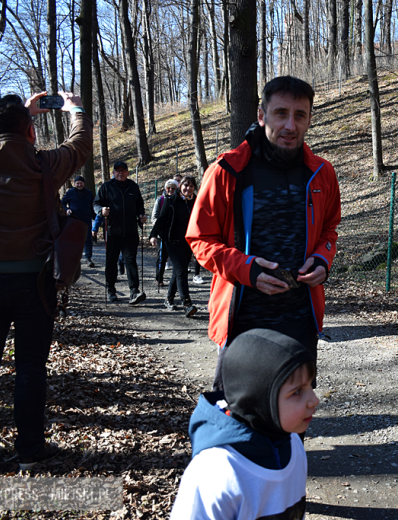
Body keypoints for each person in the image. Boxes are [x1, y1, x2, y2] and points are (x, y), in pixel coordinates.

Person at [187, 76, 341, 391]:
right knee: (238, 421)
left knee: (293, 418)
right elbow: (200, 239)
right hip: (242, 319)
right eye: (280, 113)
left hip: (299, 320)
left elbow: (329, 229)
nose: (290, 125)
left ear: (310, 119)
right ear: (262, 115)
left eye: (300, 115)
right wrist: (246, 269)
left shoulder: (322, 173)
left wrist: (323, 260)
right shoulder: (227, 170)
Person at [0, 91, 92, 477]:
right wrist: (77, 111)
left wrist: (16, 116)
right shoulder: (42, 163)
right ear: (29, 131)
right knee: (30, 368)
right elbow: (81, 144)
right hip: (34, 280)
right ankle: (29, 450)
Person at [170, 329, 318, 519]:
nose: (314, 400)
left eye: (310, 386)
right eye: (297, 392)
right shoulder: (215, 473)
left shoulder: (293, 446)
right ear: (258, 400)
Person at [93, 161, 147, 304]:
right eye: (117, 171)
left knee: (131, 262)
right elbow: (96, 203)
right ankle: (111, 289)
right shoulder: (106, 187)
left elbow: (139, 204)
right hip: (112, 232)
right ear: (113, 173)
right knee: (111, 262)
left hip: (130, 232)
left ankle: (134, 291)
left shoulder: (133, 187)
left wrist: (141, 215)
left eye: (123, 170)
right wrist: (101, 211)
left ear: (127, 172)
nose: (120, 173)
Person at [150, 176, 199, 317]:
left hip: (188, 241)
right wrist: (153, 235)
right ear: (180, 186)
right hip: (171, 240)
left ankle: (169, 299)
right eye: (185, 185)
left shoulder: (196, 202)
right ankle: (187, 303)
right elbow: (162, 219)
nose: (188, 188)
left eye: (191, 186)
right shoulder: (171, 201)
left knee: (177, 272)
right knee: (182, 270)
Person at [62, 174, 96, 267]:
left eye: (81, 183)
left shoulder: (89, 193)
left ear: (84, 183)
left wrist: (95, 218)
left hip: (86, 219)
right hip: (74, 220)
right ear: (74, 184)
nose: (79, 185)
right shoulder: (70, 192)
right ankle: (74, 259)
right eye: (77, 183)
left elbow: (92, 205)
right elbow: (62, 202)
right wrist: (66, 209)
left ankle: (88, 258)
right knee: (74, 239)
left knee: (88, 239)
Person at [152, 179, 178, 287]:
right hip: (162, 234)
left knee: (176, 259)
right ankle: (159, 277)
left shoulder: (179, 200)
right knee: (162, 257)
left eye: (173, 188)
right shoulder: (160, 200)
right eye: (168, 188)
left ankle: (175, 282)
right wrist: (158, 229)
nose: (170, 190)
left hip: (175, 234)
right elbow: (154, 217)